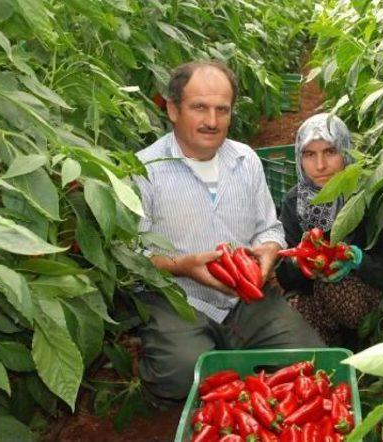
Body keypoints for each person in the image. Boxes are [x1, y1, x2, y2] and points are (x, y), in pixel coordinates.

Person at [133, 60, 324, 403]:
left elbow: (269, 227)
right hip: (180, 297)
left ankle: (228, 353)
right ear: (173, 110)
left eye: (222, 110)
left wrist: (268, 251)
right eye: (199, 108)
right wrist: (181, 265)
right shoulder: (144, 169)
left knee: (311, 360)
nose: (211, 121)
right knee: (179, 375)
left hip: (245, 293)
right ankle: (194, 352)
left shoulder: (245, 159)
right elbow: (133, 255)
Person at [275, 113, 383, 347]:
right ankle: (326, 355)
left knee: (335, 286)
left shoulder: (371, 195)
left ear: (346, 151)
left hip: (364, 303)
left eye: (330, 152)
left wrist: (358, 260)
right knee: (295, 309)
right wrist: (302, 263)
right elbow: (287, 280)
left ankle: (364, 345)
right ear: (299, 159)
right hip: (317, 304)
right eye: (309, 154)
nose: (320, 165)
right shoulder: (294, 203)